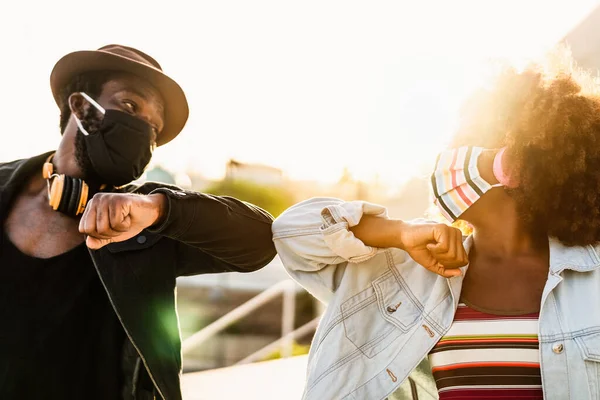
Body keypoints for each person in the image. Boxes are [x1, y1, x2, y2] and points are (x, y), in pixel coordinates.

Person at [272, 53, 600, 400]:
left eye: (460, 146)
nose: (444, 162)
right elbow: (289, 234)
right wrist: (397, 232)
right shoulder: (405, 267)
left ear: (514, 164)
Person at [0, 44, 277, 400]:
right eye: (131, 106)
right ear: (82, 107)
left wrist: (160, 210)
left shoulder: (150, 220)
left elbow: (261, 241)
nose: (144, 132)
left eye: (154, 129)